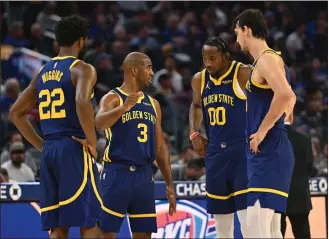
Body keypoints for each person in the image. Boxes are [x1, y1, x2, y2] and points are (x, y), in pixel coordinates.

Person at [9, 15, 101, 238]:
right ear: (81, 41)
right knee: (89, 220)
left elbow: (15, 113)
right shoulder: (82, 68)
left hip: (50, 151)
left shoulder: (42, 71)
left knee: (58, 226)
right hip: (74, 148)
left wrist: (42, 145)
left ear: (57, 41)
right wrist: (91, 140)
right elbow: (81, 101)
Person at [94, 52, 176, 239]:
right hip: (117, 172)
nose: (152, 72)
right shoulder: (112, 98)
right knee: (106, 234)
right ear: (133, 69)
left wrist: (169, 184)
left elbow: (160, 147)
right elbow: (98, 123)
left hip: (144, 175)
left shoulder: (153, 104)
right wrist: (123, 108)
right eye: (148, 67)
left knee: (144, 235)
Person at [233, 9, 297, 238]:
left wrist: (262, 131)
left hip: (269, 150)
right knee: (268, 232)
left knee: (256, 231)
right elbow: (291, 104)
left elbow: (287, 96)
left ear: (246, 30)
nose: (237, 39)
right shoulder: (270, 60)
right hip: (271, 149)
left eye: (237, 33)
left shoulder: (267, 59)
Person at [189, 36, 251, 238]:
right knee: (222, 226)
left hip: (240, 150)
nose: (208, 63)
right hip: (214, 152)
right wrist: (195, 133)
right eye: (204, 58)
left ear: (226, 57)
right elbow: (196, 105)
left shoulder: (242, 73)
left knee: (248, 221)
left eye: (212, 58)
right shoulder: (199, 79)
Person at [281, 113, 313, 239]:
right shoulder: (304, 139)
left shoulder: (270, 140)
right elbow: (309, 167)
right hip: (300, 196)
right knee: (303, 235)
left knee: (277, 233)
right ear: (291, 117)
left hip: (278, 196)